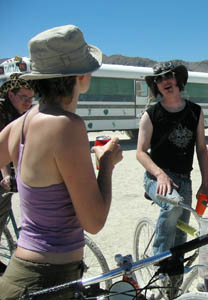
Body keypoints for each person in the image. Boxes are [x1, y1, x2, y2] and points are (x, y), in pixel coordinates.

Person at [0, 25, 123, 299]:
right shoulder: (67, 126)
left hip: (21, 274)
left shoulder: (25, 120)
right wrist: (106, 166)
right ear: (80, 76)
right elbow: (94, 221)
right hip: (47, 282)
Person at [136, 61, 208, 297]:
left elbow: (200, 148)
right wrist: (159, 174)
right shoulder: (151, 114)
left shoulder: (195, 112)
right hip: (155, 177)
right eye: (159, 79)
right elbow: (140, 152)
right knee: (172, 203)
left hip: (184, 180)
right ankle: (160, 261)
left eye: (169, 76)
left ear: (178, 80)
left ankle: (173, 288)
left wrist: (206, 182)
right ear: (156, 86)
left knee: (181, 235)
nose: (165, 81)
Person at [0, 73, 34, 274]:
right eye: (24, 98)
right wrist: (5, 174)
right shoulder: (1, 111)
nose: (29, 102)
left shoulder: (27, 114)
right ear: (11, 95)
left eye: (32, 98)